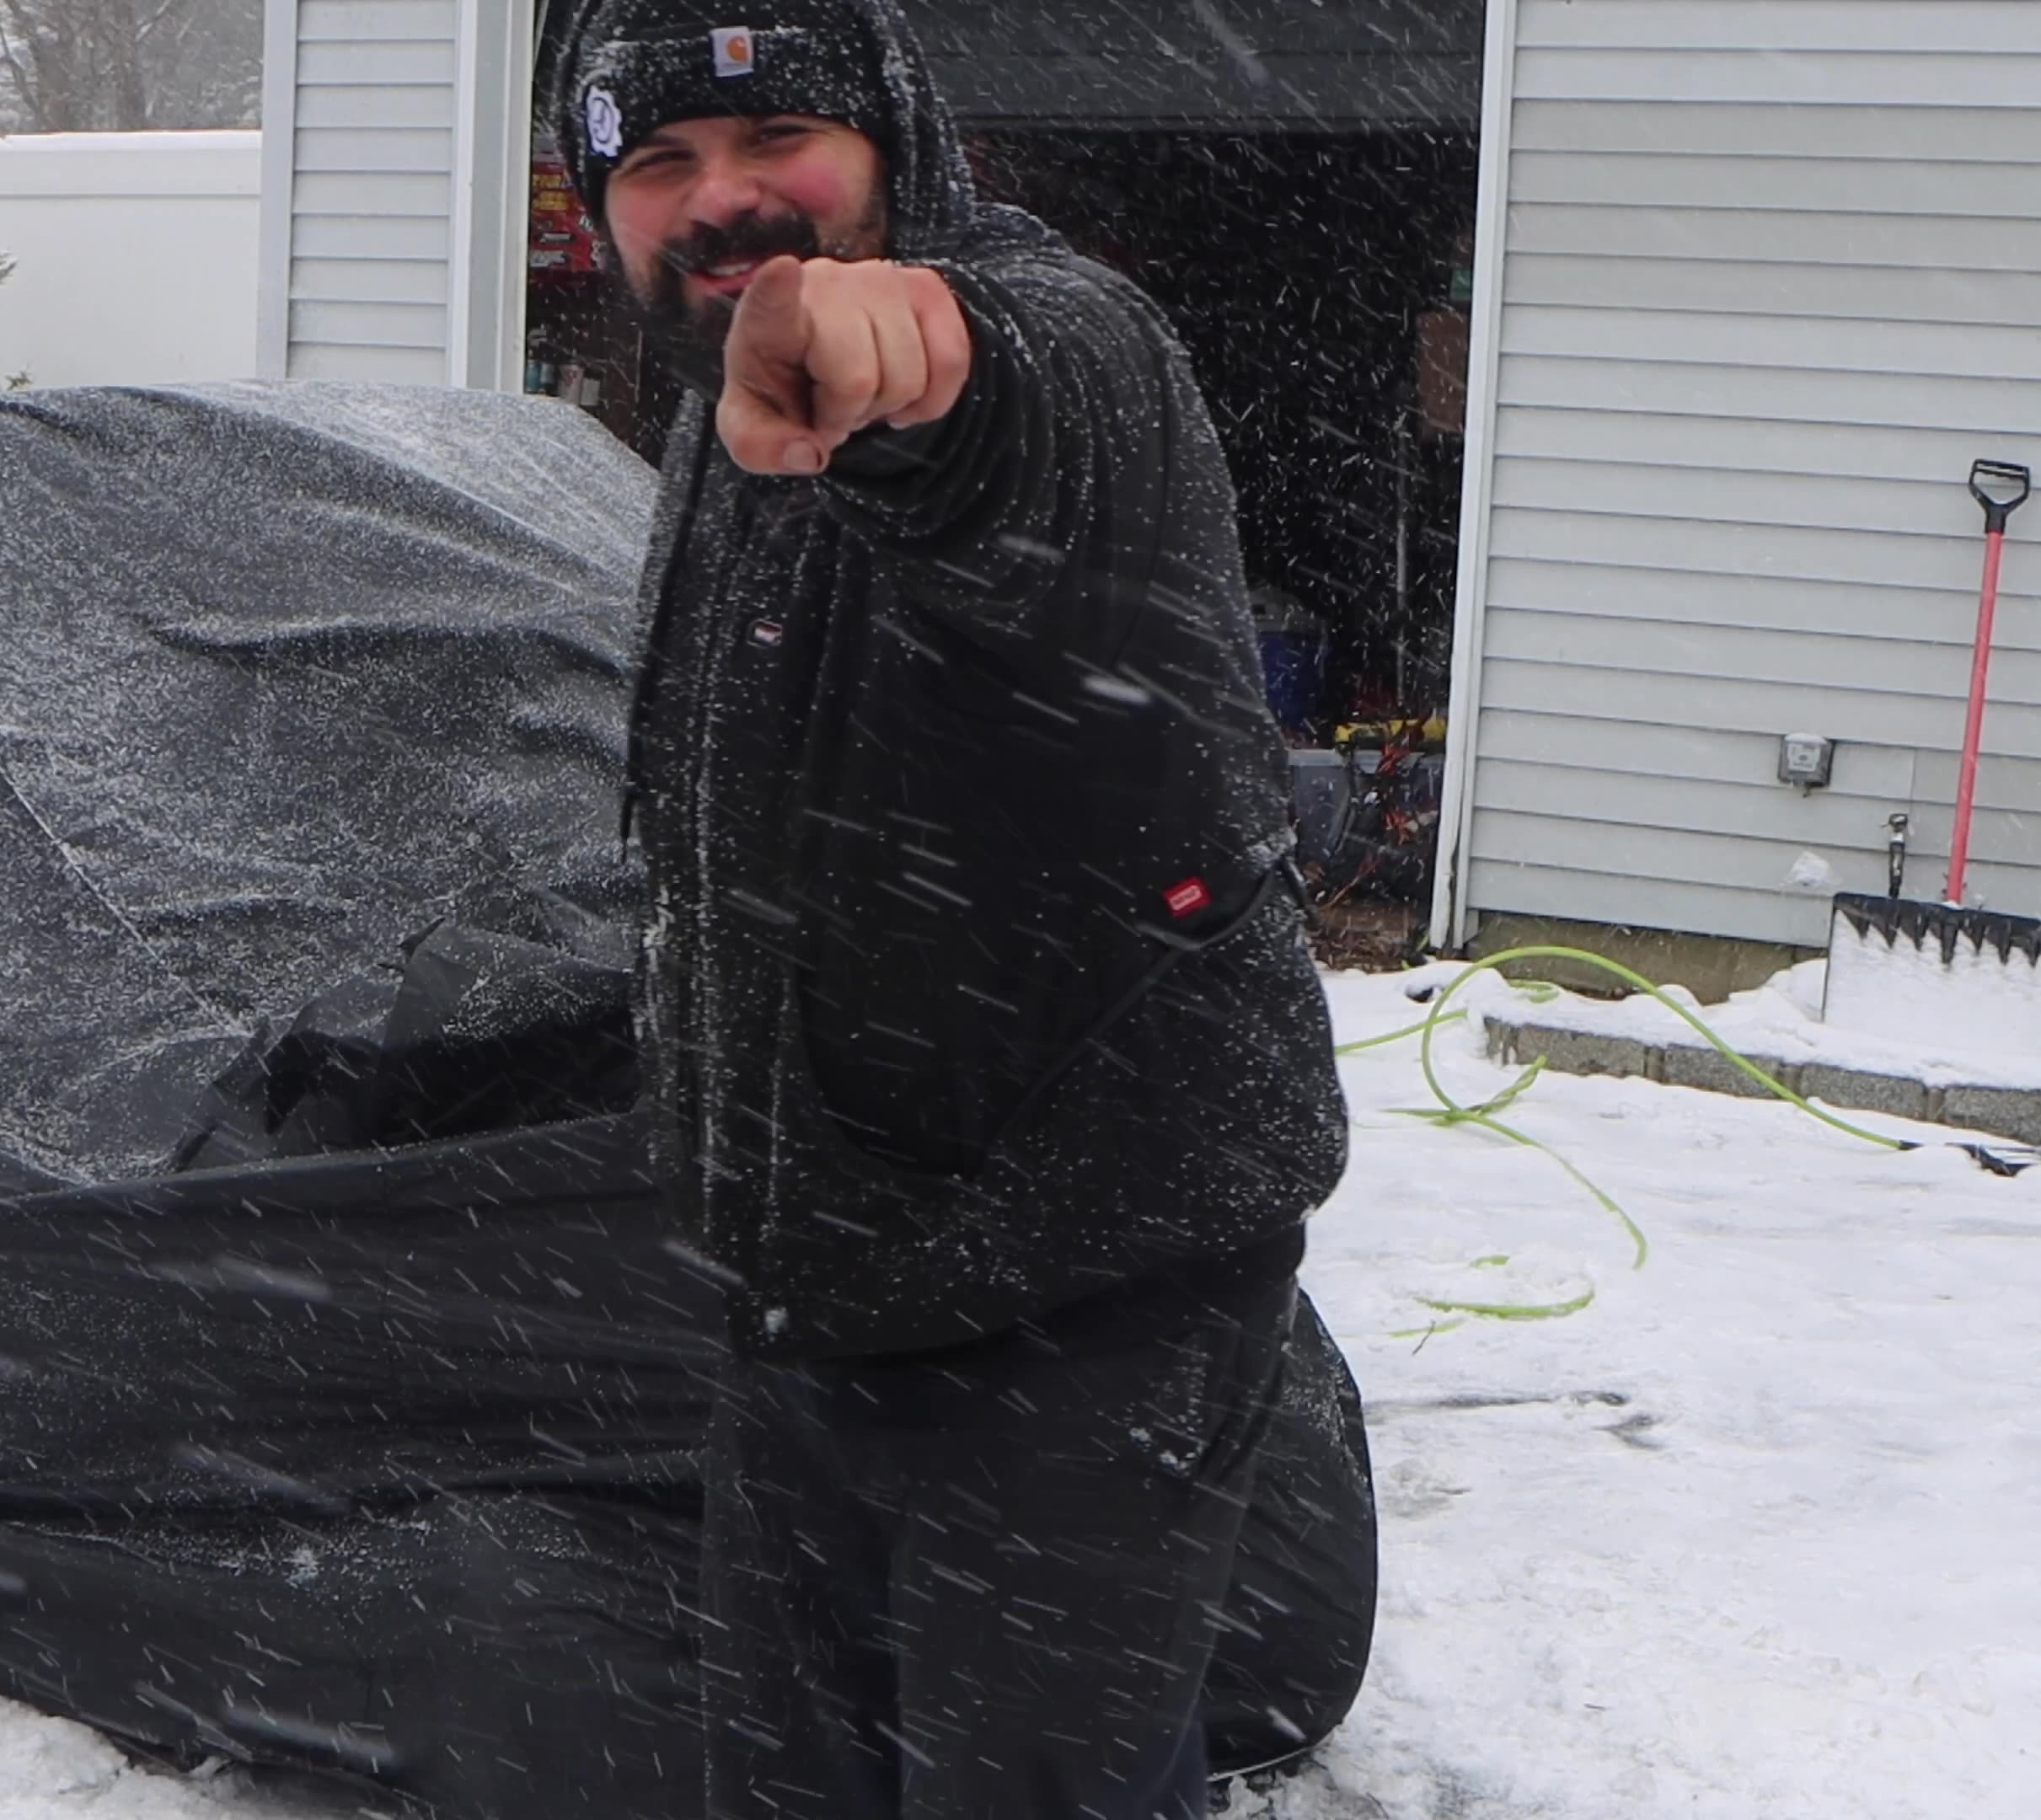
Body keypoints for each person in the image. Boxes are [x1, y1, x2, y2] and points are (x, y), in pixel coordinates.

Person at [549, 3, 1352, 1814]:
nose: (725, 204)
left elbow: (995, 391)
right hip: (819, 1282)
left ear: (897, 143)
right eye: (659, 163)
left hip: (1078, 1293)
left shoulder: (1062, 339)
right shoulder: (706, 418)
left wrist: (901, 349)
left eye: (778, 147)